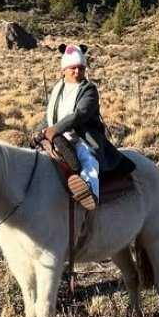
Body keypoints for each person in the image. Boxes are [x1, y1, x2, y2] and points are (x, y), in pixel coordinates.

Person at [37, 44, 123, 210]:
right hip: (58, 137)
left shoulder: (89, 90)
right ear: (64, 69)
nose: (78, 72)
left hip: (83, 138)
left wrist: (53, 130)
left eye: (81, 68)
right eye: (73, 68)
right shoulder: (58, 89)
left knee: (88, 162)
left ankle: (90, 198)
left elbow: (79, 114)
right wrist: (40, 131)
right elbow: (50, 115)